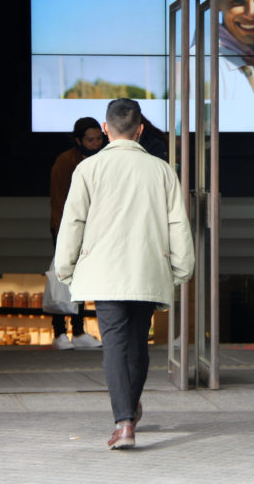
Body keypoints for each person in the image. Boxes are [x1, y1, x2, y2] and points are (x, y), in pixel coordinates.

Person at [54, 98, 195, 449]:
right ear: (140, 130)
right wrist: (181, 268)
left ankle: (124, 422)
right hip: (148, 268)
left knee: (115, 345)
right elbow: (177, 223)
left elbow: (73, 222)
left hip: (105, 272)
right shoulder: (162, 170)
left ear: (105, 129)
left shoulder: (88, 169)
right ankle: (130, 408)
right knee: (138, 344)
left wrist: (65, 267)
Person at [49, 116, 105, 350]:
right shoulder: (65, 161)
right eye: (90, 140)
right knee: (63, 278)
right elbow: (59, 199)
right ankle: (60, 332)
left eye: (99, 139)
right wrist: (63, 232)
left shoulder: (102, 158)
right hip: (67, 226)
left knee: (83, 280)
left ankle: (79, 330)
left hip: (94, 227)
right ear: (78, 140)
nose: (95, 143)